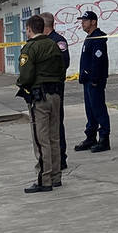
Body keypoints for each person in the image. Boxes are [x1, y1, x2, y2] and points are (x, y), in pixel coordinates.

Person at [16, 14, 65, 193]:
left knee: (40, 139)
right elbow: (61, 69)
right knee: (54, 137)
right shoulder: (53, 45)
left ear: (29, 29)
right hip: (55, 94)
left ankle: (44, 179)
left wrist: (21, 84)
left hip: (39, 98)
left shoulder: (30, 48)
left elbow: (26, 76)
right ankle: (56, 176)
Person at [74, 10, 110, 153]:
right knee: (90, 110)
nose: (82, 23)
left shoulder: (98, 38)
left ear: (93, 22)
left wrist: (94, 79)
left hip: (95, 81)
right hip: (87, 80)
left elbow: (98, 60)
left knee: (99, 109)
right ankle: (90, 137)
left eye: (85, 20)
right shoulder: (90, 37)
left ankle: (104, 139)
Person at [41, 11, 70, 168]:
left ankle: (61, 157)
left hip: (56, 87)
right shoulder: (43, 41)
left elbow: (64, 63)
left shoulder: (58, 41)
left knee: (57, 122)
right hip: (45, 88)